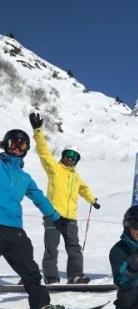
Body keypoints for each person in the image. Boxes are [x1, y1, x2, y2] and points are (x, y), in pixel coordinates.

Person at [0, 128, 66, 309]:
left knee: (30, 271)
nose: (18, 148)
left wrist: (56, 217)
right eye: (14, 143)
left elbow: (40, 198)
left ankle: (40, 307)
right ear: (6, 144)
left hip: (14, 231)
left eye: (23, 144)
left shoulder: (25, 178)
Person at [29, 113, 100, 284]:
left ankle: (75, 276)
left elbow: (83, 188)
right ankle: (52, 278)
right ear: (63, 155)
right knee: (51, 249)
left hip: (70, 219)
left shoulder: (75, 176)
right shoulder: (55, 168)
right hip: (53, 215)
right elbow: (44, 153)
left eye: (74, 157)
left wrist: (92, 200)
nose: (70, 158)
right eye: (68, 154)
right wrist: (38, 131)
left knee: (74, 248)